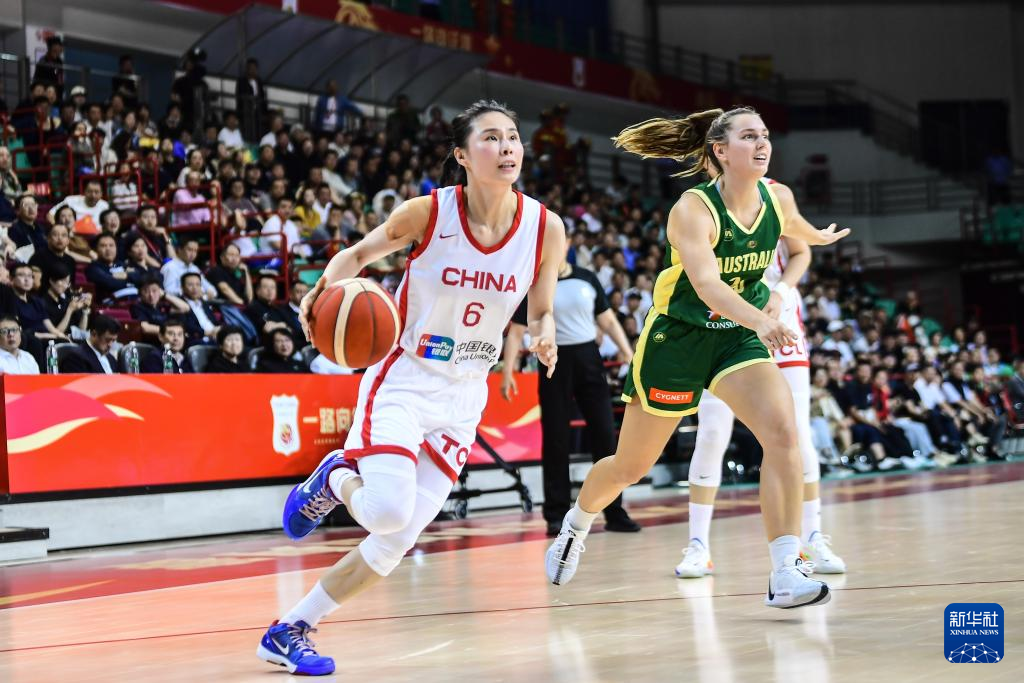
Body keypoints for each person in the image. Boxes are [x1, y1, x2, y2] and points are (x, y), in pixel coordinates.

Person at [256, 100, 563, 676]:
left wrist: (544, 335)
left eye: (513, 137)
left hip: (464, 395)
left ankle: (289, 629)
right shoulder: (428, 212)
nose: (506, 147)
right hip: (405, 378)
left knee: (394, 542)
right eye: (491, 138)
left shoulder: (545, 227)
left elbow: (540, 308)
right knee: (388, 511)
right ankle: (336, 476)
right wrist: (317, 293)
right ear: (461, 156)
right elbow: (357, 255)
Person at [545, 107, 849, 610]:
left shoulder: (777, 197)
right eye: (749, 136)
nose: (762, 143)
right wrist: (763, 319)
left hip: (735, 338)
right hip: (679, 339)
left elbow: (797, 230)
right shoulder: (692, 209)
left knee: (783, 434)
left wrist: (815, 240)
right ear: (720, 151)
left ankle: (785, 570)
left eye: (765, 135)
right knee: (630, 466)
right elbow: (707, 286)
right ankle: (575, 524)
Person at [675, 175, 846, 579]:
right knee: (713, 432)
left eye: (760, 142)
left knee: (797, 431)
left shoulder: (775, 193)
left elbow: (801, 252)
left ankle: (812, 536)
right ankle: (698, 544)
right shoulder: (700, 204)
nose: (757, 147)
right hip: (725, 321)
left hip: (779, 318)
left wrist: (782, 290)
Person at [503, 235, 639, 536]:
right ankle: (555, 514)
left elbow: (607, 321)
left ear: (566, 246)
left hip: (588, 357)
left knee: (605, 434)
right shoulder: (535, 284)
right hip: (553, 361)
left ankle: (615, 511)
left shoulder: (586, 278)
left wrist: (628, 353)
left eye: (560, 241)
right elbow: (516, 332)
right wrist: (508, 371)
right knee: (555, 438)